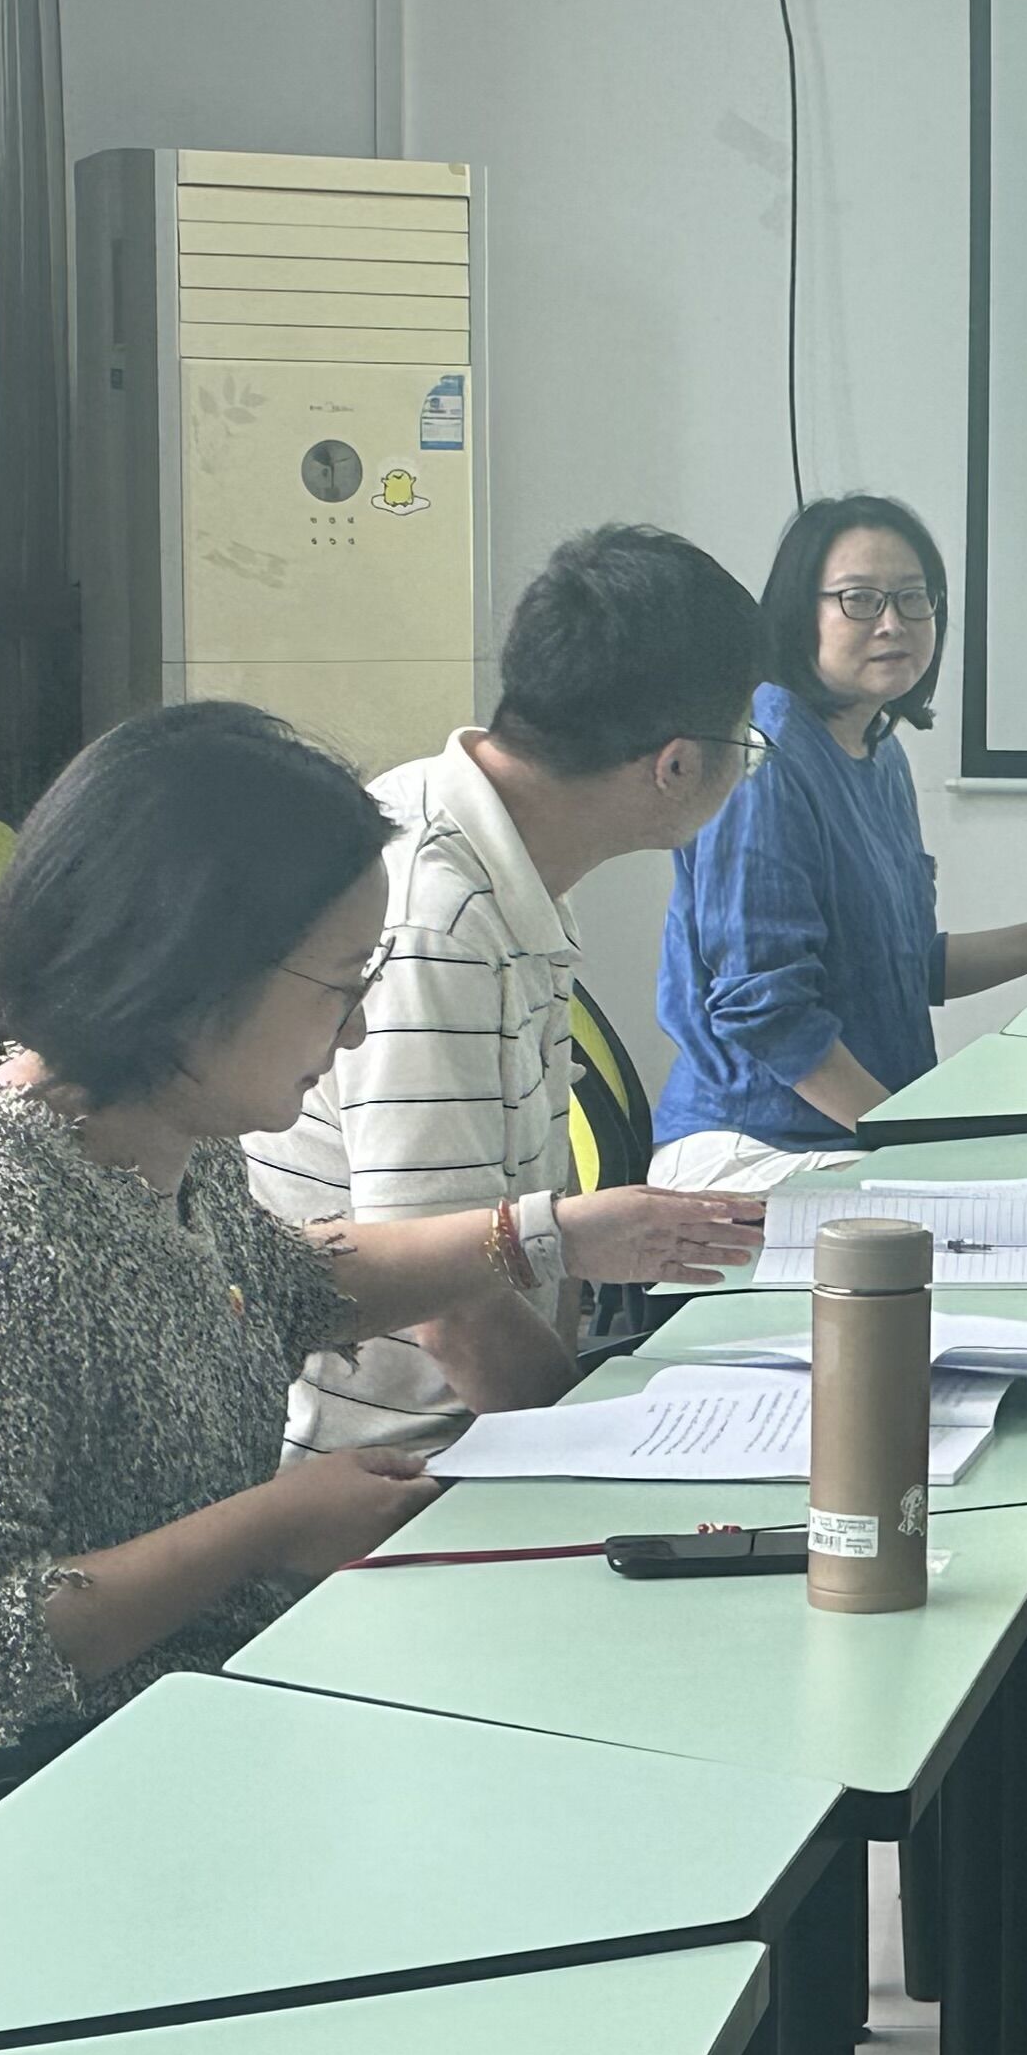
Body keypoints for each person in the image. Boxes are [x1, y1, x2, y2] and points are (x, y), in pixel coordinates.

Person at [0, 705, 766, 1921]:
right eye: (341, 985)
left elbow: (280, 1280)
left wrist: (550, 1231)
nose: (357, 1026)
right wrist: (269, 1525)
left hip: (175, 1718)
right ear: (188, 972)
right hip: (15, 1828)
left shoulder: (154, 1135)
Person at [248, 527, 773, 1457]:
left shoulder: (491, 843)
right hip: (397, 1466)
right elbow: (453, 1314)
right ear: (677, 765)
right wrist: (603, 1459)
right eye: (747, 741)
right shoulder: (435, 920)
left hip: (477, 1426)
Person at [654, 495, 1027, 1186]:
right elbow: (768, 1015)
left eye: (913, 598)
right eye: (860, 599)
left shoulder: (878, 751)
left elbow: (903, 968)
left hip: (852, 1139)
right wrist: (921, 1146)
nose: (893, 623)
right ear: (800, 613)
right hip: (758, 1149)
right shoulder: (765, 756)